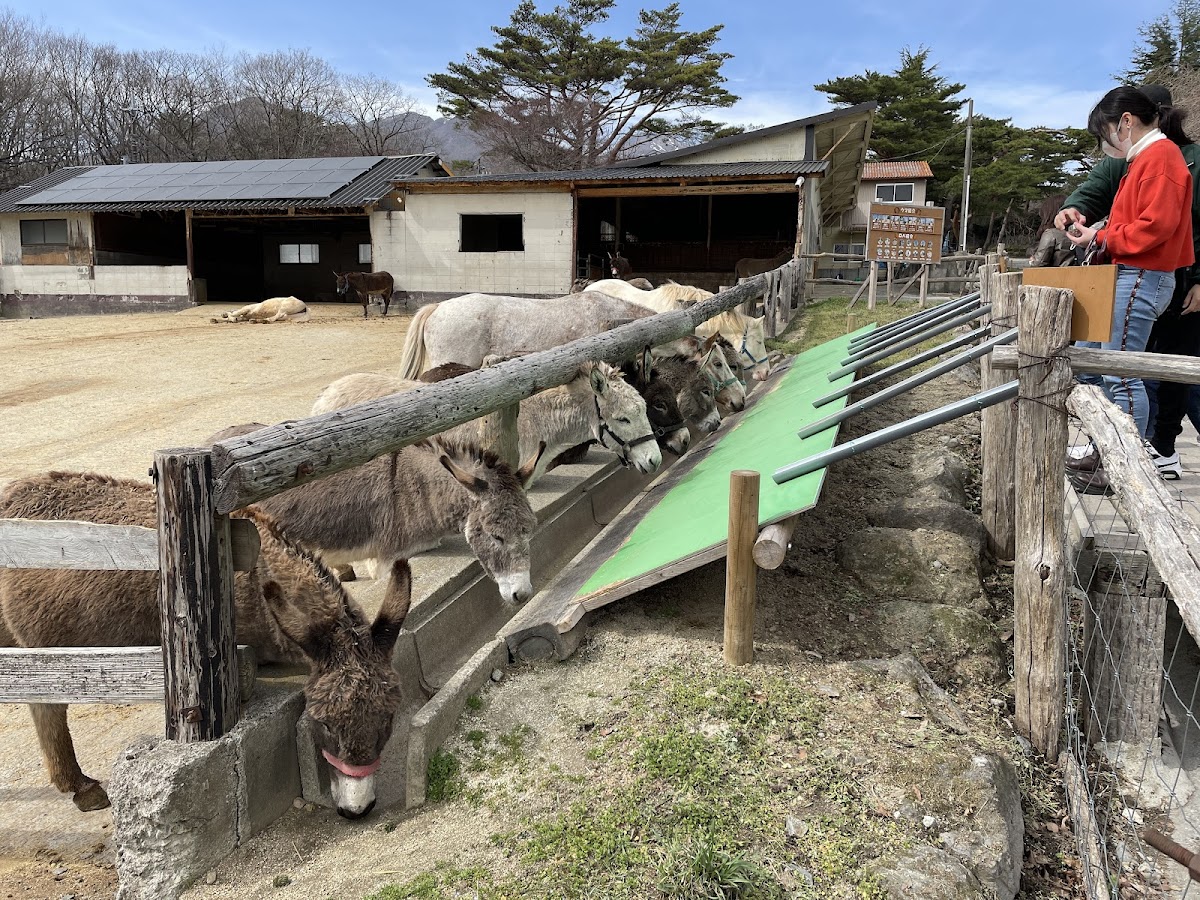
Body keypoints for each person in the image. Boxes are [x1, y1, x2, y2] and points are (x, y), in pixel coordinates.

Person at [1059, 84, 1200, 483]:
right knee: (1096, 363)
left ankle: (1123, 462)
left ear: (1125, 121)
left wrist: (1099, 238)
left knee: (1120, 370)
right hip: (1133, 274)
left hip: (1141, 275)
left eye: (1105, 133)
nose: (1107, 143)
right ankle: (1107, 448)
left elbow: (1156, 227)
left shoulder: (1160, 157)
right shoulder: (1148, 158)